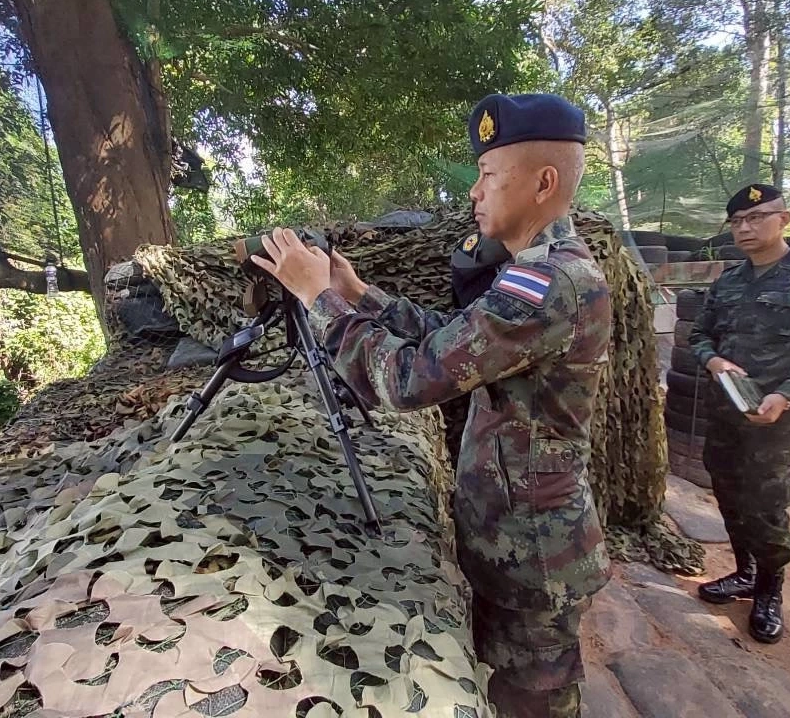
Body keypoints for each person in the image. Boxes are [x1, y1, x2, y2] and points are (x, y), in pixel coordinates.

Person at [249, 93, 611, 718]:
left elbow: (410, 381)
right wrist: (359, 294)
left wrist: (317, 299)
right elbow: (454, 337)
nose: (475, 191)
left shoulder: (552, 283)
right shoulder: (534, 272)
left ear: (543, 183)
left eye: (490, 175)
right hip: (514, 534)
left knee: (537, 700)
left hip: (534, 552)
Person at [688, 184, 790, 644]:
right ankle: (745, 571)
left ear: (785, 219)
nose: (745, 228)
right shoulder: (730, 281)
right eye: (737, 221)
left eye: (757, 217)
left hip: (779, 419)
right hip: (728, 413)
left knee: (768, 505)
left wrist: (786, 395)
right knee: (729, 493)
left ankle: (769, 590)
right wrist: (713, 360)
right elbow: (700, 335)